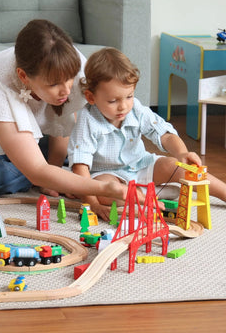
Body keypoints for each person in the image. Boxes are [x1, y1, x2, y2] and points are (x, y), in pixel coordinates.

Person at [0, 19, 126, 202]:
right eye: (53, 84)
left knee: (101, 146)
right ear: (23, 76)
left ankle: (50, 171)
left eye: (69, 79)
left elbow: (62, 125)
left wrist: (53, 169)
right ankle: (52, 173)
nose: (66, 90)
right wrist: (101, 187)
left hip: (35, 139)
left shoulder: (70, 62)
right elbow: (36, 170)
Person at [68, 47, 226, 221]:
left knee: (176, 166)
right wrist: (93, 204)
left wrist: (182, 153)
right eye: (113, 101)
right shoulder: (87, 119)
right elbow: (80, 167)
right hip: (107, 175)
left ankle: (223, 192)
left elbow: (165, 135)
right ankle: (150, 194)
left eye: (129, 96)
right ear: (91, 97)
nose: (123, 106)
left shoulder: (135, 109)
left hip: (141, 165)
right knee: (105, 194)